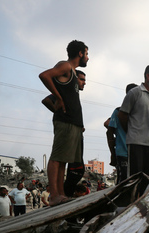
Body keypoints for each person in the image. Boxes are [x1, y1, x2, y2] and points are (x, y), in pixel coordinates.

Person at [39, 40, 89, 206]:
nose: (88, 58)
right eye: (87, 54)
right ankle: (54, 195)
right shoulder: (66, 66)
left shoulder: (73, 72)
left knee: (63, 160)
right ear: (80, 53)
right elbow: (44, 75)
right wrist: (58, 98)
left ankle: (60, 193)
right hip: (65, 121)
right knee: (56, 158)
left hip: (73, 122)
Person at [118, 65, 149, 178]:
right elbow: (122, 115)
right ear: (148, 76)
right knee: (135, 179)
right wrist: (131, 131)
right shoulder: (135, 93)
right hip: (137, 143)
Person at [106, 83, 138, 183]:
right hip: (123, 153)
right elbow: (109, 132)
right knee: (123, 181)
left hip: (136, 153)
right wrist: (112, 153)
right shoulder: (118, 111)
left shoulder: (139, 112)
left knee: (134, 181)